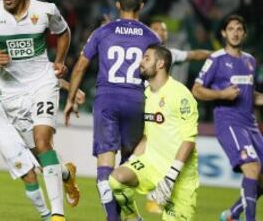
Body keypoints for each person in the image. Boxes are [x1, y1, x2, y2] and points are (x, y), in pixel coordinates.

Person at [0, 0, 78, 221]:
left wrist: (60, 61)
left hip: (42, 83)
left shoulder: (45, 10)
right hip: (11, 94)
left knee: (43, 141)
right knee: (40, 154)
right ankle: (65, 174)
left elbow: (63, 33)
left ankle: (57, 216)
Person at [64, 0, 160, 221]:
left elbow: (80, 66)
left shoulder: (103, 32)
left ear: (117, 5)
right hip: (137, 101)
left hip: (107, 100)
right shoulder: (151, 37)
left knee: (105, 168)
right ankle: (125, 215)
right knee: (125, 170)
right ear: (141, 6)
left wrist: (70, 99)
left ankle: (114, 218)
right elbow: (158, 74)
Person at [109, 45, 199, 221]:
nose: (141, 62)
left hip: (179, 176)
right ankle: (133, 218)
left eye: (147, 58)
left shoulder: (180, 94)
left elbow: (189, 140)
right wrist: (133, 160)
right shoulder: (146, 94)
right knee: (116, 179)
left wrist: (171, 176)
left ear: (160, 64)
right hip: (151, 164)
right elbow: (148, 135)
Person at [192, 15, 263, 221]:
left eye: (239, 29)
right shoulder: (216, 59)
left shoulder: (250, 60)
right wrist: (221, 94)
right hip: (229, 123)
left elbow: (252, 95)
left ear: (245, 33)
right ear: (224, 33)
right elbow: (197, 90)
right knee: (252, 168)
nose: (235, 32)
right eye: (231, 29)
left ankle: (231, 215)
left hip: (250, 124)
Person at [146, 18, 210, 214]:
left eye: (163, 30)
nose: (160, 33)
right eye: (156, 29)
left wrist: (217, 55)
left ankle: (161, 194)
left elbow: (194, 55)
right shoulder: (140, 55)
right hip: (145, 106)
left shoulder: (171, 54)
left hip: (167, 108)